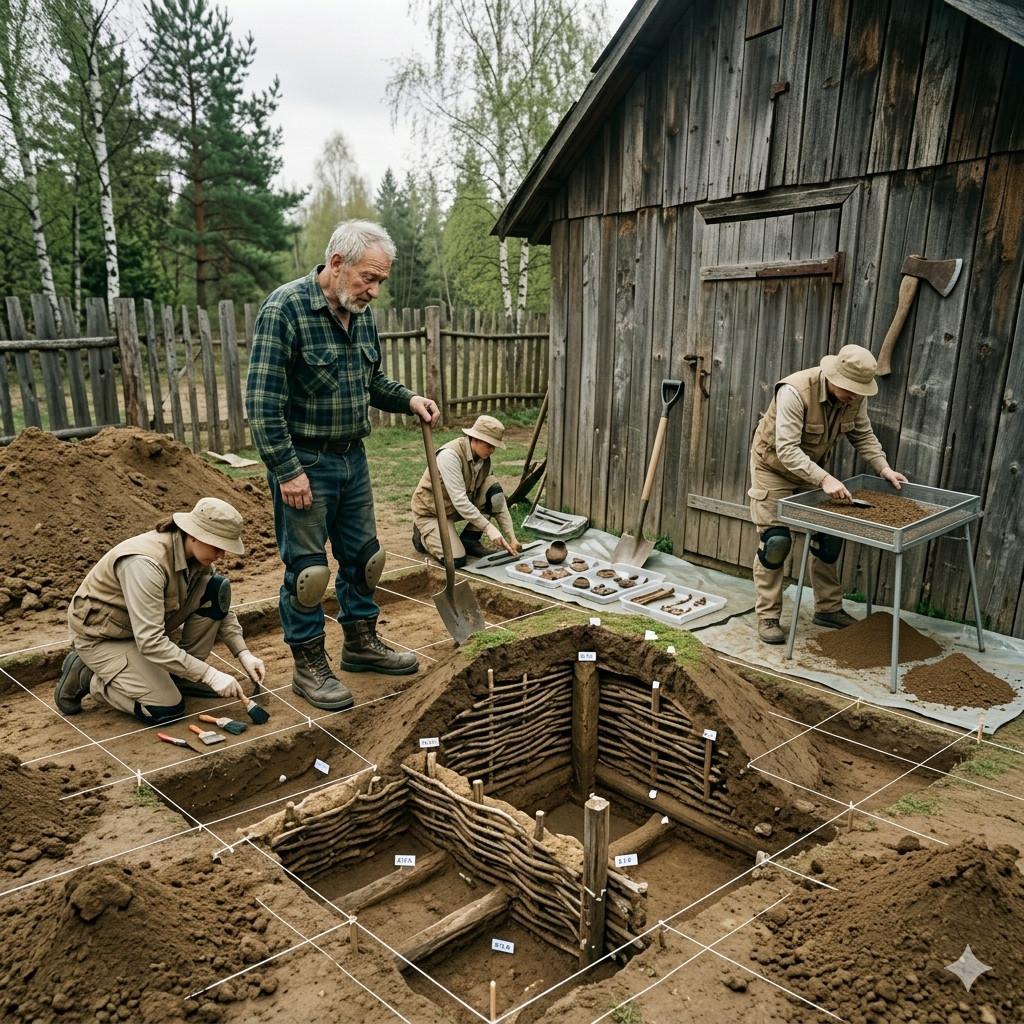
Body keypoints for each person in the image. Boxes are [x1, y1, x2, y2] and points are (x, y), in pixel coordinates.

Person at [246, 219, 440, 711]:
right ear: (337, 264)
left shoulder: (361, 314)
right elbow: (262, 404)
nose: (374, 290)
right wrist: (287, 470)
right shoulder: (285, 309)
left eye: (380, 281)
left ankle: (360, 643)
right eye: (367, 278)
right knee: (309, 573)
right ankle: (308, 667)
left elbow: (371, 382)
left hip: (353, 459)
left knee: (366, 561)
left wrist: (410, 398)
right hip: (305, 463)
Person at [748, 344, 908, 645]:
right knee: (776, 541)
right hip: (774, 467)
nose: (855, 396)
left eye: (860, 390)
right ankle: (768, 616)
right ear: (833, 376)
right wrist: (825, 479)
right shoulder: (794, 391)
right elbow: (786, 450)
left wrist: (883, 467)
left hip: (814, 470)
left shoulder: (853, 397)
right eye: (850, 389)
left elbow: (862, 434)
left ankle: (828, 609)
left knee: (830, 538)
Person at [54, 497, 265, 723]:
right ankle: (88, 676)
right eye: (218, 546)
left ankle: (179, 675)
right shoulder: (145, 565)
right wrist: (207, 674)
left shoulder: (195, 557)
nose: (222, 554)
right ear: (195, 535)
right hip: (103, 637)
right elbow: (151, 642)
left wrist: (243, 653)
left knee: (214, 589)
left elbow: (217, 604)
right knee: (166, 708)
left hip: (140, 628)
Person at [410, 414, 521, 567]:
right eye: (489, 445)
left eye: (494, 446)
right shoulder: (450, 455)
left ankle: (469, 540)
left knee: (492, 488)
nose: (493, 450)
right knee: (456, 560)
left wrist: (512, 537)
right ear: (475, 438)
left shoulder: (484, 460)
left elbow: (498, 502)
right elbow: (460, 501)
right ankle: (423, 534)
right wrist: (488, 528)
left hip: (454, 509)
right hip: (432, 512)